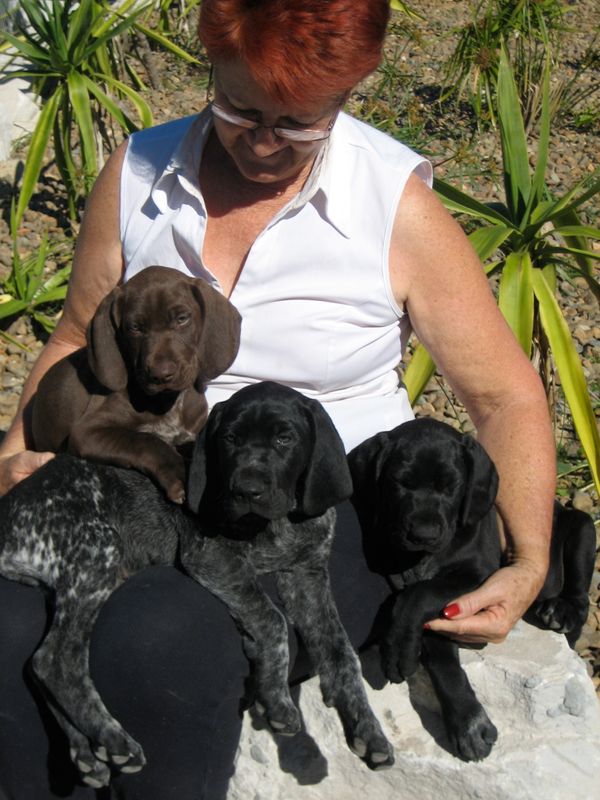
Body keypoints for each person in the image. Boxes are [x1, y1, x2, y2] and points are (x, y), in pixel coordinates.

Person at [0, 1, 556, 797]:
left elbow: (504, 395)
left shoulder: (393, 204)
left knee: (157, 638)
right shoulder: (140, 172)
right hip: (141, 480)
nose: (263, 142)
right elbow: (74, 339)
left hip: (310, 508)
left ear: (349, 92)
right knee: (9, 621)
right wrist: (17, 452)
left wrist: (530, 561)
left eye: (299, 124)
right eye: (239, 110)